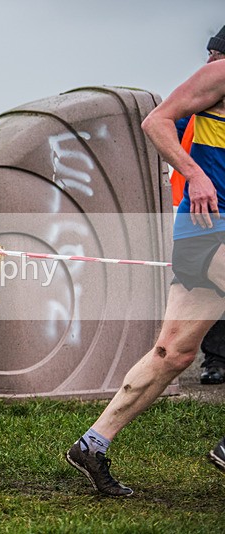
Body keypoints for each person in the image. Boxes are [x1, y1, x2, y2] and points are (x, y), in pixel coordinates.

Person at [65, 26, 225, 495]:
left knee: (173, 353)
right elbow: (156, 121)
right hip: (210, 222)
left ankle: (92, 444)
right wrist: (194, 174)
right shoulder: (219, 74)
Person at [170, 28, 225, 385]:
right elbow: (166, 127)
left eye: (216, 55)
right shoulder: (202, 97)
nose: (209, 61)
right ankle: (216, 360)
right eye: (209, 53)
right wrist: (194, 174)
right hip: (204, 217)